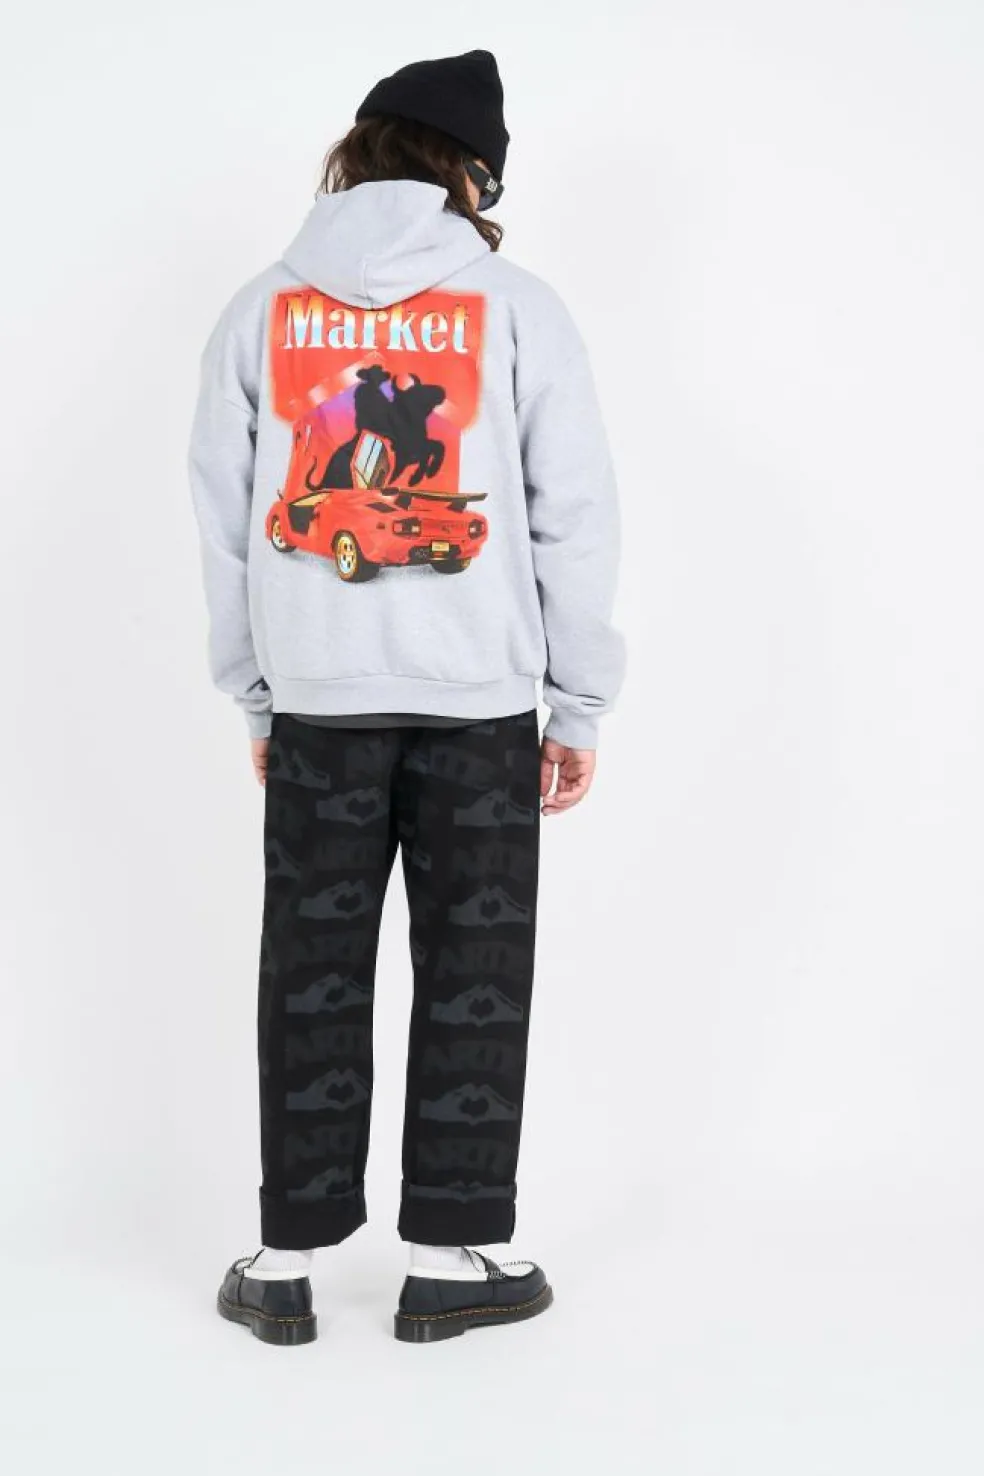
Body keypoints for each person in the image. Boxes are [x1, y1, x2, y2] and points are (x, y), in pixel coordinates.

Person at [188, 48, 624, 1346]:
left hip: (319, 701)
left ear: (359, 151)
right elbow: (574, 514)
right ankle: (453, 1258)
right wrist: (579, 702)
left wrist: (258, 693)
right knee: (475, 966)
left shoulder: (263, 309)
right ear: (471, 173)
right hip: (478, 702)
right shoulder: (519, 308)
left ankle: (283, 1262)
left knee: (308, 967)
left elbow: (224, 519)